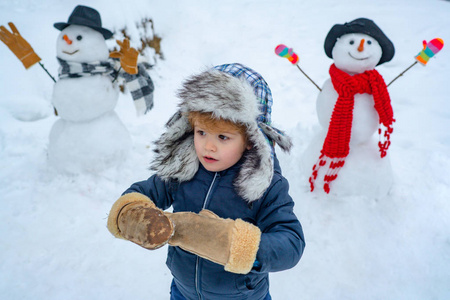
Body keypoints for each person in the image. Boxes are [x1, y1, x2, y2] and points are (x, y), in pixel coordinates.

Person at [107, 63, 305, 300]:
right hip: (183, 292)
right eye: (201, 133)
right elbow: (145, 191)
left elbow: (291, 242)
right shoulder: (183, 169)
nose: (208, 146)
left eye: (223, 137)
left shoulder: (266, 185)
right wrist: (132, 215)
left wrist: (235, 245)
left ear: (251, 139)